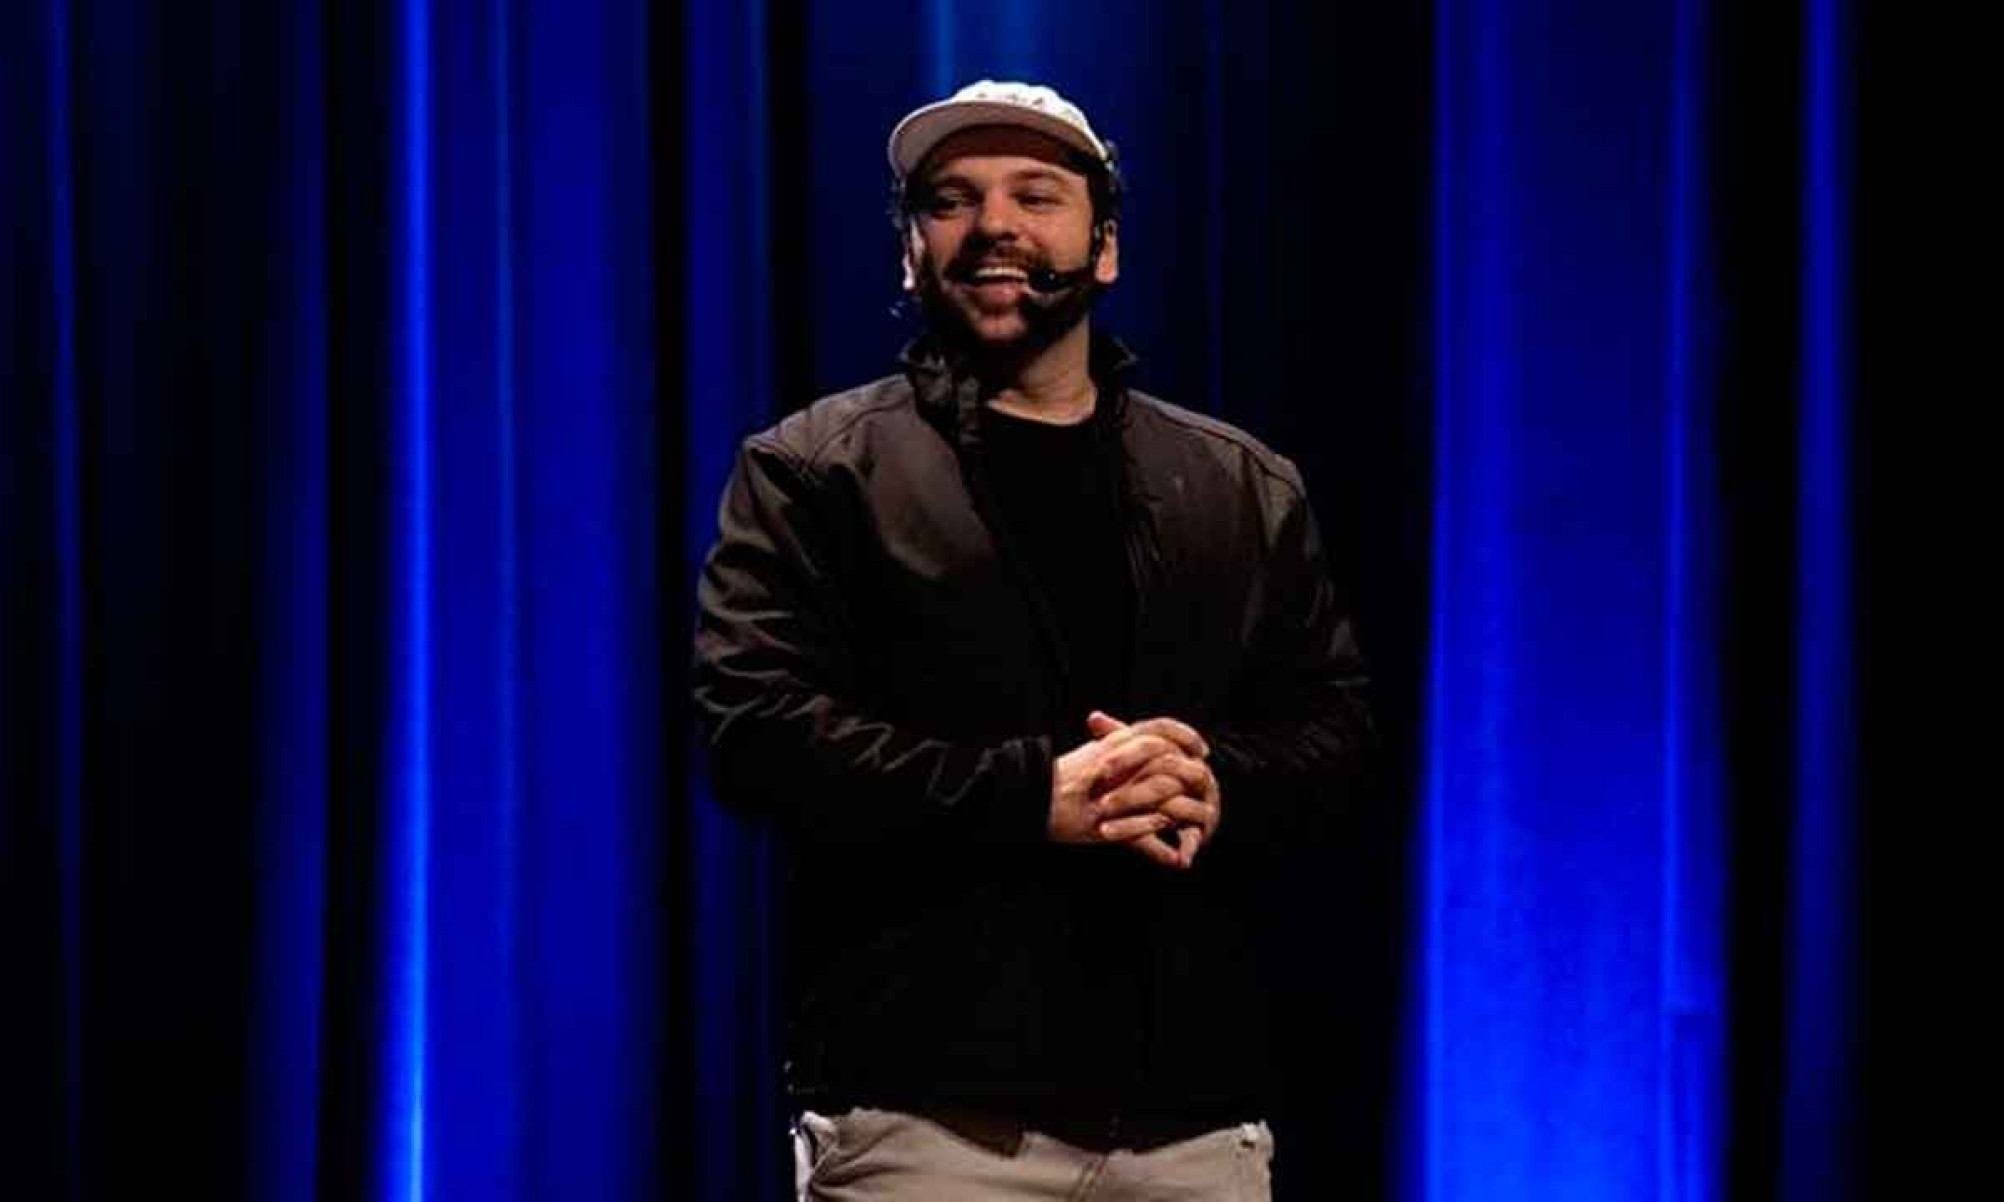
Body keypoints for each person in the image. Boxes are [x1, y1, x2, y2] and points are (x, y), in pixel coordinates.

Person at [692, 80, 1373, 1199]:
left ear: (1105, 248)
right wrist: (1027, 797)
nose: (994, 224)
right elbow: (756, 733)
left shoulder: (1241, 483)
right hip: (926, 1120)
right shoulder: (814, 471)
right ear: (911, 254)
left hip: (1198, 1124)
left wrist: (1217, 782)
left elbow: (1339, 735)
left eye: (1036, 195)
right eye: (951, 200)